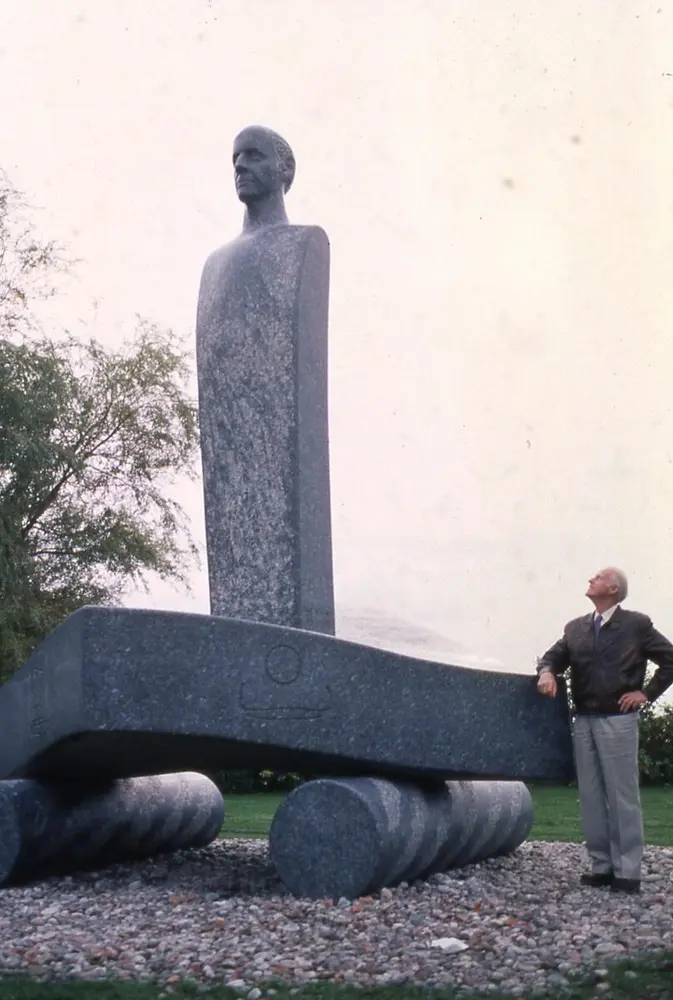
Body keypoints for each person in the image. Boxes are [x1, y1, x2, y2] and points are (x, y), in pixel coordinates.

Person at [537, 567, 673, 893]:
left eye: (597, 577)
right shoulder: (576, 628)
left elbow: (670, 659)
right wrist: (546, 672)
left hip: (618, 721)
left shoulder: (637, 625)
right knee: (591, 796)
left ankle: (627, 872)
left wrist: (646, 694)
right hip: (583, 719)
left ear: (613, 588)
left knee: (622, 796)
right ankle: (602, 867)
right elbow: (553, 657)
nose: (590, 579)